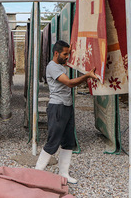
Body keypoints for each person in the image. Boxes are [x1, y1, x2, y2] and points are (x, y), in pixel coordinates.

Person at [35, 40, 97, 184]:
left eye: (68, 54)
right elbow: (69, 83)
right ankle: (37, 173)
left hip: (67, 107)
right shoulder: (52, 67)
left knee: (68, 142)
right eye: (65, 54)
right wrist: (87, 76)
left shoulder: (61, 66)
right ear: (56, 53)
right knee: (53, 142)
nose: (67, 57)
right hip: (57, 107)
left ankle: (64, 174)